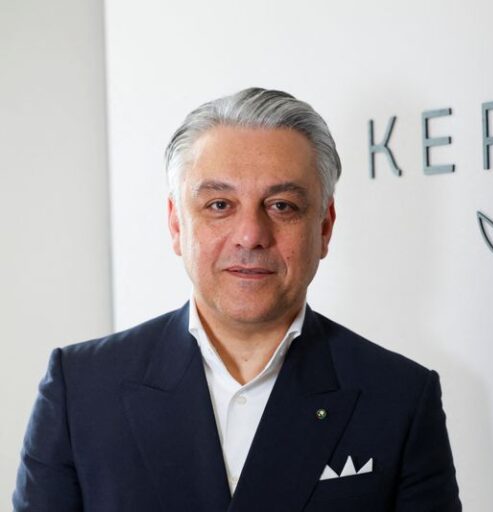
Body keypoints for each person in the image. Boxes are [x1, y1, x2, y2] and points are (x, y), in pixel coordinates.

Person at [13, 88, 461, 511]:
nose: (251, 235)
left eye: (282, 205)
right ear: (176, 224)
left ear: (324, 228)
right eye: (220, 205)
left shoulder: (400, 397)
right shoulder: (80, 389)